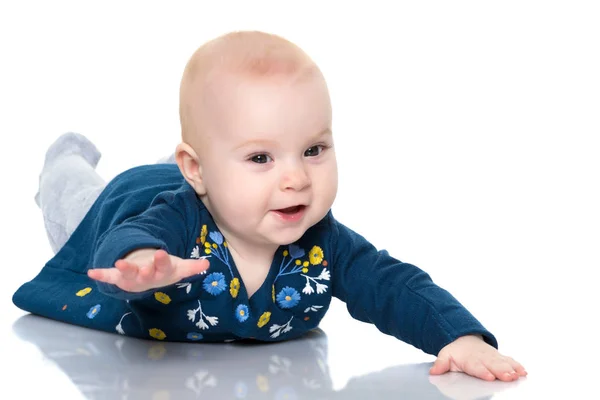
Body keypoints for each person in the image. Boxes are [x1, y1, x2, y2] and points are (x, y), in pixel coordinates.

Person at [12, 30, 527, 382]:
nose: (297, 178)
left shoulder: (322, 239)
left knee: (227, 164)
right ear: (196, 171)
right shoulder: (178, 221)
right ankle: (64, 158)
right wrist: (142, 262)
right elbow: (127, 239)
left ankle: (227, 155)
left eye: (313, 150)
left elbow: (393, 284)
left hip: (205, 175)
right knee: (73, 197)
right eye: (262, 156)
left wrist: (458, 336)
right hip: (125, 203)